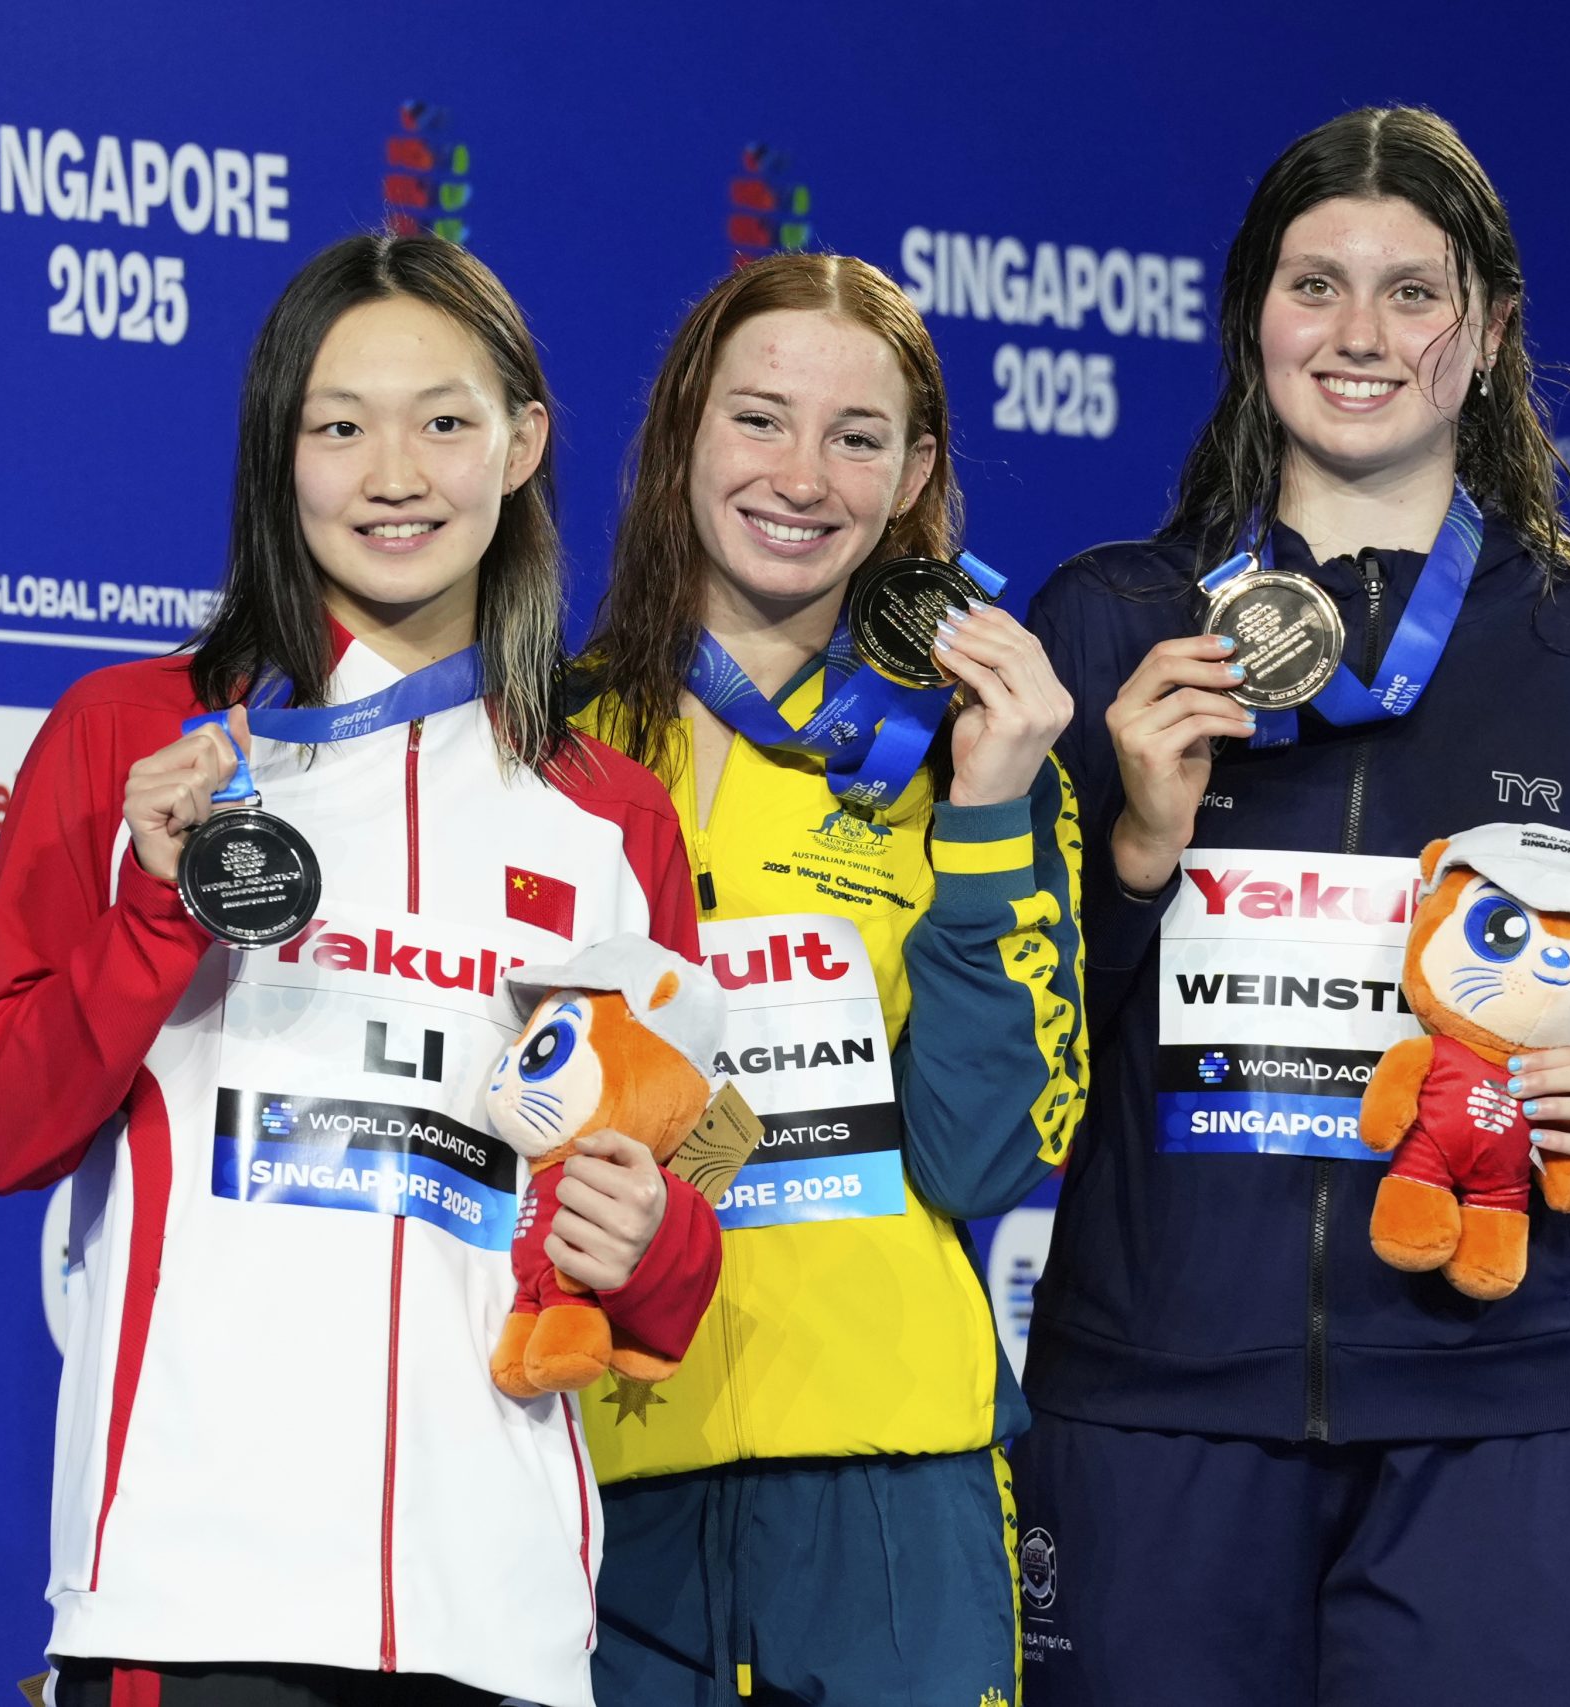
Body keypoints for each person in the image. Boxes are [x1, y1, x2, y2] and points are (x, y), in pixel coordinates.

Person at [1013, 107, 1570, 1707]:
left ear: (1491, 335)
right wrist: (1137, 856)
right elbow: (1010, 1044)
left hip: (1497, 1417)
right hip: (1156, 1411)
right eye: (1315, 284)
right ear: (1252, 320)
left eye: (1413, 291)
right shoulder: (1112, 626)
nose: (1359, 333)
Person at [0, 232, 722, 1707]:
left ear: (523, 444)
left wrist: (654, 1246)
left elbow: (681, 1203)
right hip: (191, 1598)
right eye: (340, 427)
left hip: (499, 1619)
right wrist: (159, 910)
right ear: (276, 453)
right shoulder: (132, 739)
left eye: (444, 422)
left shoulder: (613, 816)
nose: (394, 475)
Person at [569, 251, 1087, 1705]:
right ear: (684, 432)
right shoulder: (546, 740)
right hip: (597, 1460)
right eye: (759, 419)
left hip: (888, 1484)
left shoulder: (977, 756)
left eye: (857, 438)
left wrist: (987, 813)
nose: (801, 477)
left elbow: (986, 1157)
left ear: (914, 474)